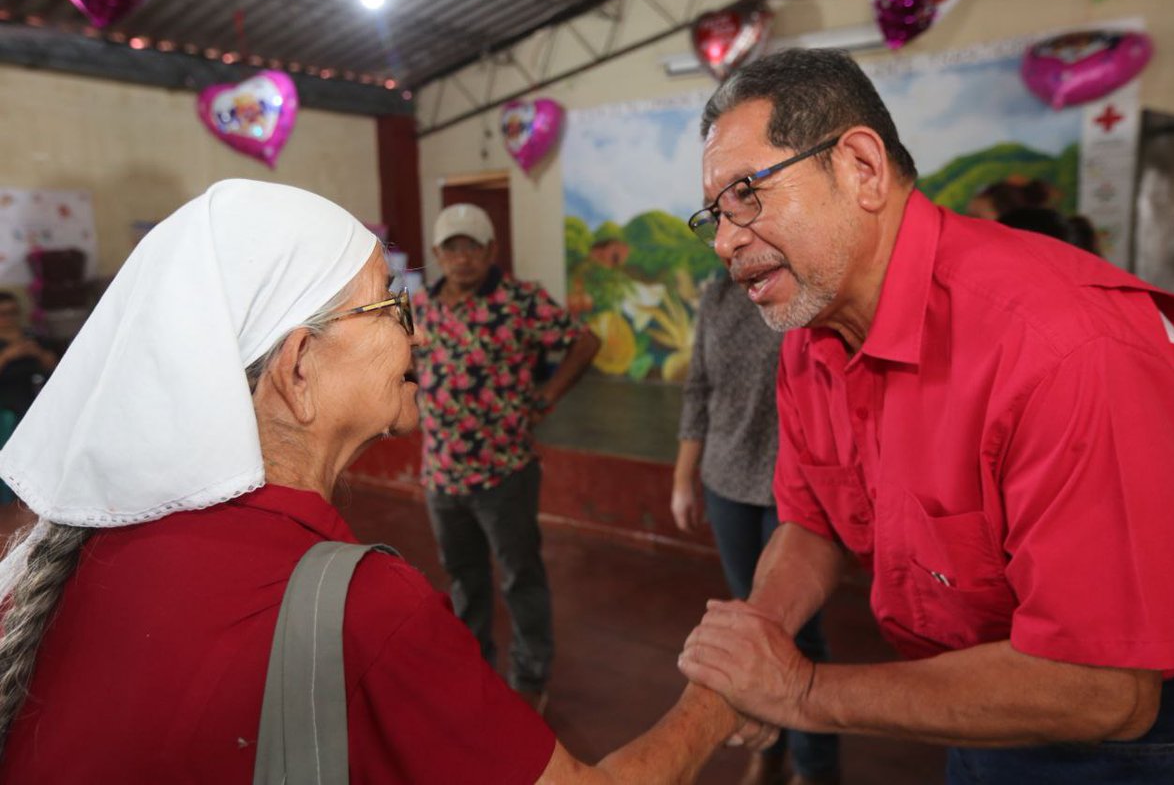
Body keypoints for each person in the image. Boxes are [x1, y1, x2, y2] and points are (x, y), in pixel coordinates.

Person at [0, 179, 751, 783]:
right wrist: (722, 695)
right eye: (389, 306)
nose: (414, 329)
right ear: (299, 372)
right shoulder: (364, 611)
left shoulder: (93, 547)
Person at [674, 49, 1174, 784]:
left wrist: (799, 689)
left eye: (746, 195)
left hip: (1139, 741)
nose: (726, 241)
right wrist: (757, 643)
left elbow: (1108, 689)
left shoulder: (1062, 350)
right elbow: (814, 520)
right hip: (972, 692)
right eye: (714, 215)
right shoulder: (812, 331)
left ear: (860, 166)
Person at [414, 203, 600, 711]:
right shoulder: (422, 308)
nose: (462, 257)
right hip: (442, 477)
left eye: (472, 246)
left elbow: (584, 341)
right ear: (437, 254)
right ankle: (475, 667)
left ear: (491, 250)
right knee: (465, 582)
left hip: (505, 472)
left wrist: (550, 394)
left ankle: (531, 676)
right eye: (452, 247)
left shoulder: (518, 300)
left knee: (521, 577)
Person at [673, 272, 839, 785]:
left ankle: (815, 768)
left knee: (797, 630)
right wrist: (684, 478)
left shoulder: (807, 286)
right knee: (751, 620)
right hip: (726, 480)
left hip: (795, 485)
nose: (730, 237)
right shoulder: (718, 294)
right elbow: (697, 388)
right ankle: (769, 750)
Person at [0, 291, 56, 420]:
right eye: (3, 314)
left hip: (37, 393)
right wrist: (6, 356)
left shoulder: (32, 336)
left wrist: (38, 353)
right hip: (7, 401)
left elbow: (55, 367)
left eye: (13, 312)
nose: (9, 318)